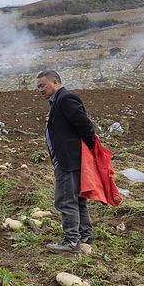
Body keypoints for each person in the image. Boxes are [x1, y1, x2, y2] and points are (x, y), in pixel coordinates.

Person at [36, 70, 95, 254]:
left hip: (69, 160)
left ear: (55, 82)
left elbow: (85, 125)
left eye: (42, 85)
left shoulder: (65, 99)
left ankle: (71, 242)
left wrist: (90, 149)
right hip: (71, 158)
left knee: (66, 200)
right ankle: (85, 235)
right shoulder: (59, 100)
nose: (39, 90)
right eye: (38, 87)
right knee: (77, 198)